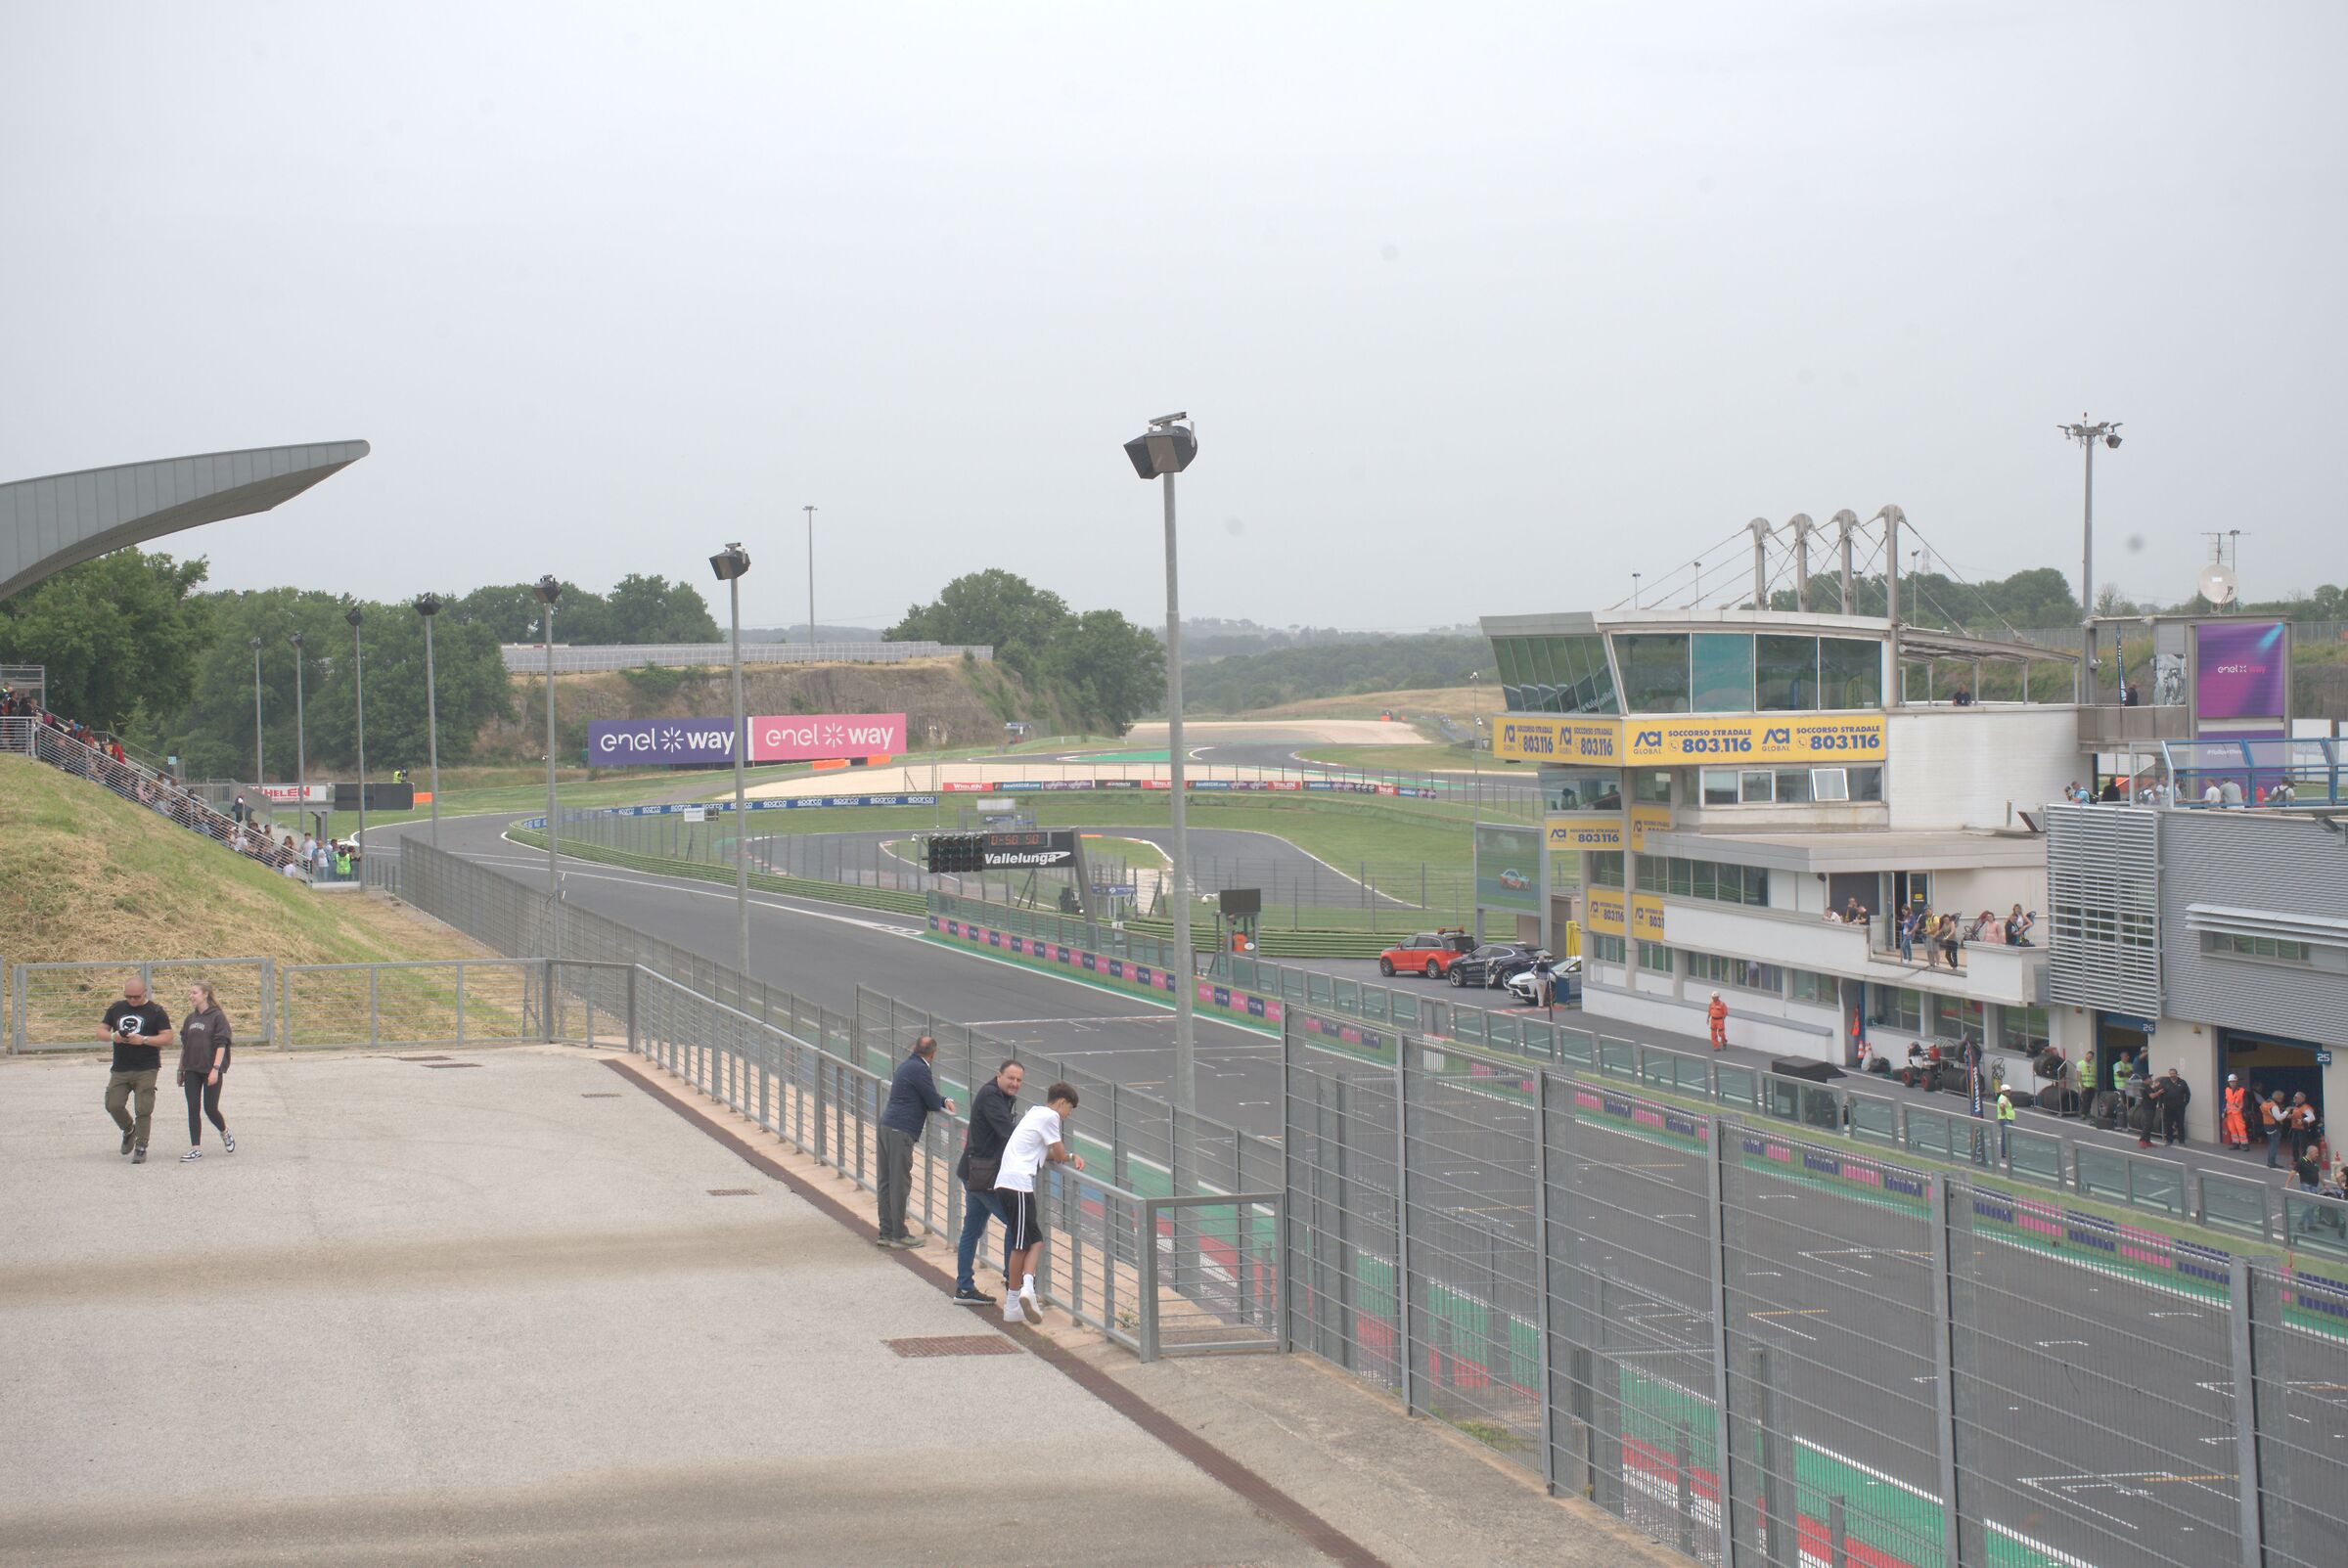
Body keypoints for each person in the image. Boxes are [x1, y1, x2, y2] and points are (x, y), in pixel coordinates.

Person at [996, 1082, 1085, 1325]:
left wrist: (1068, 1156)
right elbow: (1056, 1153)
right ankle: (1020, 1295)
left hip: (1008, 1183)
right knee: (1021, 1244)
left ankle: (1022, 1294)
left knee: (1034, 1241)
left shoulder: (1034, 1113)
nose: (1068, 1115)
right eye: (1070, 1109)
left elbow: (1044, 1154)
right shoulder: (1050, 1117)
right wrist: (1067, 1154)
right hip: (1019, 1184)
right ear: (1062, 1102)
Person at [952, 1058, 1024, 1305]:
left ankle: (963, 1288)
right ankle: (1011, 1280)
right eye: (1011, 1078)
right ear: (998, 1076)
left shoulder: (998, 1096)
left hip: (975, 1171)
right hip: (981, 1175)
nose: (1015, 1083)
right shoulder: (992, 1097)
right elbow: (1009, 1133)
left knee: (971, 1231)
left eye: (1019, 1080)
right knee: (1015, 1223)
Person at [875, 1034, 954, 1247]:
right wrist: (944, 1101)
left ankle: (886, 1231)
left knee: (886, 1181)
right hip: (901, 1130)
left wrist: (942, 1099)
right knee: (900, 1182)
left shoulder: (906, 1066)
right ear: (933, 1053)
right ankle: (899, 1234)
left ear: (914, 1048)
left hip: (886, 1125)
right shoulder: (921, 1069)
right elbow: (930, 1100)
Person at [102, 976, 174, 1164]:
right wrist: (113, 1036)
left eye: (136, 997)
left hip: (146, 1067)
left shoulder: (156, 1011)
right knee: (113, 1104)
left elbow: (167, 1038)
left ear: (145, 993)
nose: (132, 1000)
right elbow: (100, 1030)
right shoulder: (116, 1008)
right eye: (128, 996)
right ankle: (128, 1129)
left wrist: (143, 1040)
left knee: (143, 1108)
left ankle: (141, 1147)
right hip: (121, 1067)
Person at [176, 981, 235, 1161]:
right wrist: (180, 1069)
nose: (191, 996)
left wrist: (215, 1069)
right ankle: (196, 1148)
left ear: (205, 994)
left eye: (194, 992)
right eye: (190, 993)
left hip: (210, 1069)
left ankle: (224, 1132)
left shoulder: (217, 1017)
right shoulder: (190, 1019)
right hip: (192, 1068)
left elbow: (222, 1044)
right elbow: (185, 1046)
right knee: (193, 1107)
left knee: (210, 1108)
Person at [2156, 1067, 2190, 1146]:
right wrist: (2160, 1104)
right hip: (2168, 1107)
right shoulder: (2164, 1081)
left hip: (2179, 1107)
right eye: (2170, 1074)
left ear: (2176, 1074)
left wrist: (2185, 1103)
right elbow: (2160, 1094)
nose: (2172, 1075)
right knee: (2168, 1124)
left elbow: (2188, 1094)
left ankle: (2182, 1141)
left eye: (2173, 1074)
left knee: (2180, 1124)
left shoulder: (2182, 1082)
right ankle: (2169, 1140)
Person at [2222, 1074, 2250, 1150]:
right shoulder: (2227, 1090)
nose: (2232, 1083)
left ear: (2236, 1082)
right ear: (2229, 1082)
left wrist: (2244, 1110)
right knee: (2232, 1129)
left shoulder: (2242, 1091)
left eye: (2234, 1081)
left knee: (2241, 1128)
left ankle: (2244, 1144)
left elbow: (2246, 1102)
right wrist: (2223, 1111)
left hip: (2238, 1113)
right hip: (2230, 1113)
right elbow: (2225, 1101)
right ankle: (2235, 1143)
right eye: (2231, 1082)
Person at [2262, 1092, 2288, 1169]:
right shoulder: (2273, 1106)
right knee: (2274, 1145)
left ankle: (2270, 1161)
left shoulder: (2265, 1102)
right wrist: (2286, 1111)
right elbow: (2279, 1118)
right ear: (2278, 1097)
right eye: (2281, 1098)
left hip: (2267, 1125)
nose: (2282, 1100)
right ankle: (2271, 1162)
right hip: (2274, 1126)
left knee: (2271, 1145)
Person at [1995, 1087, 2015, 1160]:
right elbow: (2002, 1106)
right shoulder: (2003, 1098)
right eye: (2007, 1091)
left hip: (2005, 1119)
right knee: (2007, 1136)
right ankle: (2007, 1154)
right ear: (2003, 1091)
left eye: (2009, 1090)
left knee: (2004, 1136)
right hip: (2006, 1119)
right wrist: (2003, 1112)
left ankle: (2004, 1153)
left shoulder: (2003, 1097)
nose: (2009, 1092)